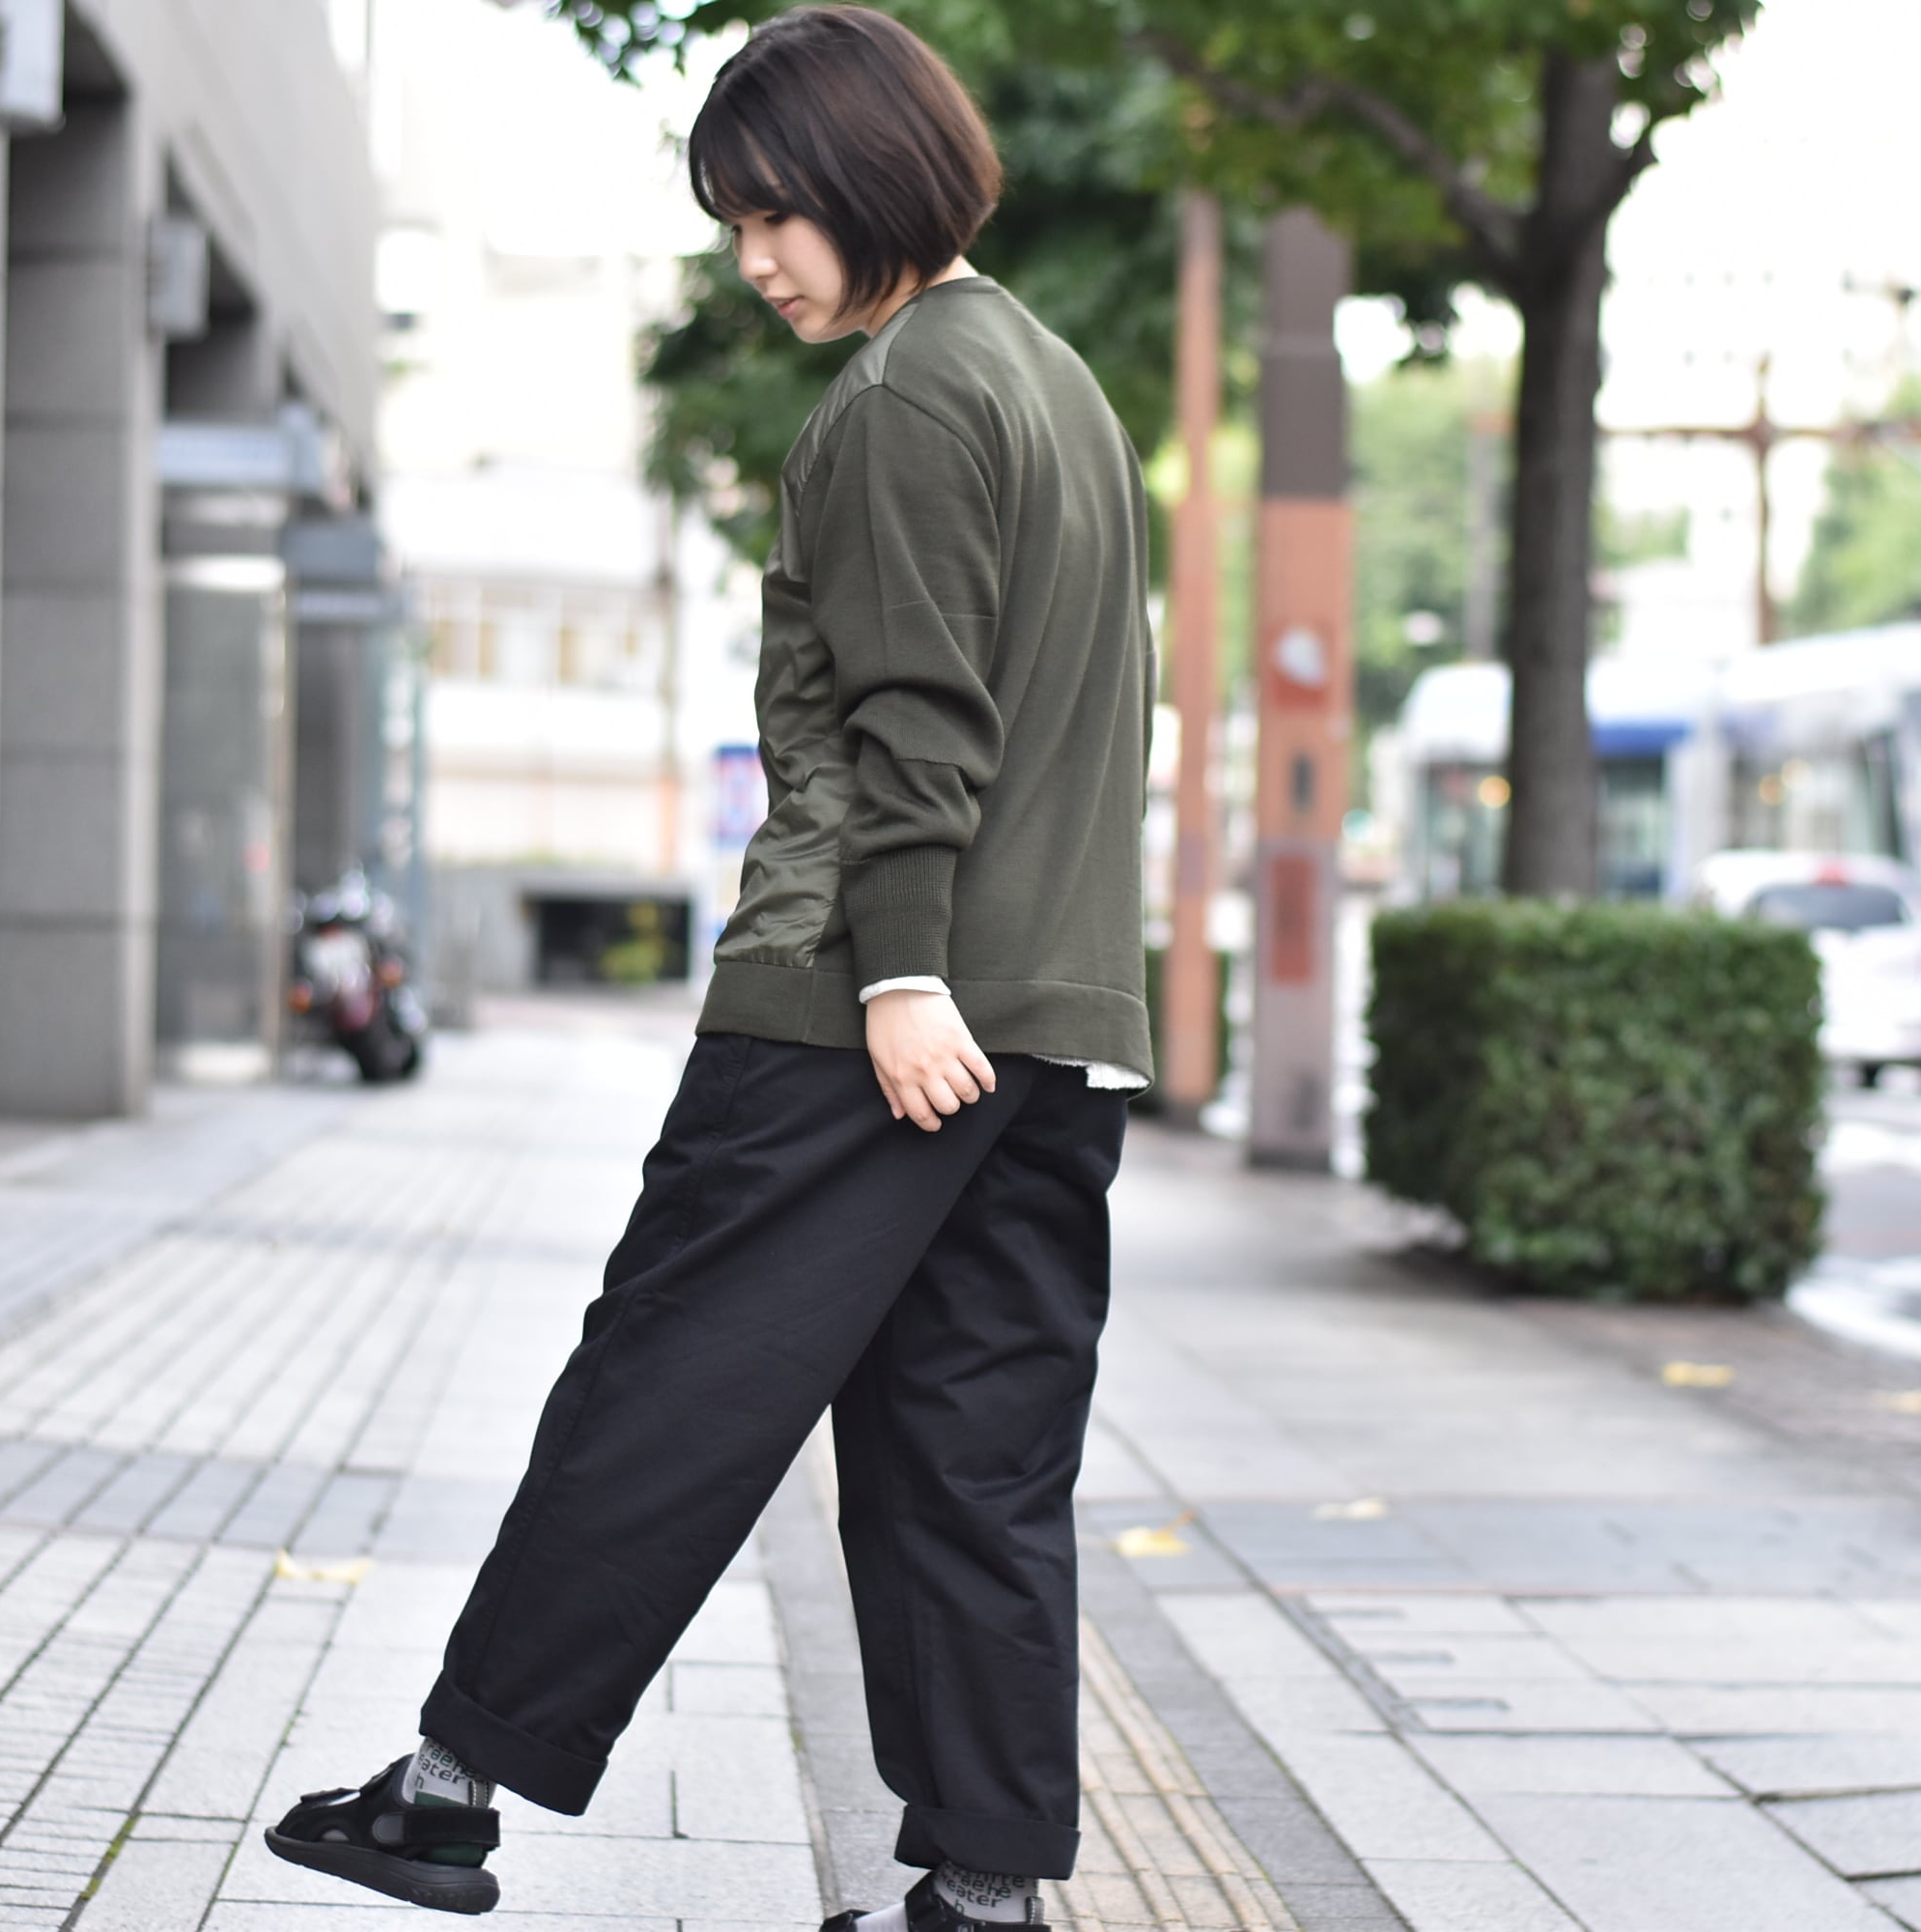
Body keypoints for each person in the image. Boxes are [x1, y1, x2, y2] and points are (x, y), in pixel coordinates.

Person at [262, 9, 1154, 1927]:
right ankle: (981, 1895)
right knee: (975, 1454)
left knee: (667, 1377)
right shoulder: (1057, 385)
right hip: (1052, 1023)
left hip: (862, 1009)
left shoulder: (907, 396)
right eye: (733, 221)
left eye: (773, 214)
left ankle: (447, 1790)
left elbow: (919, 726)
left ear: (870, 180)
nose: (753, 259)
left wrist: (897, 975)